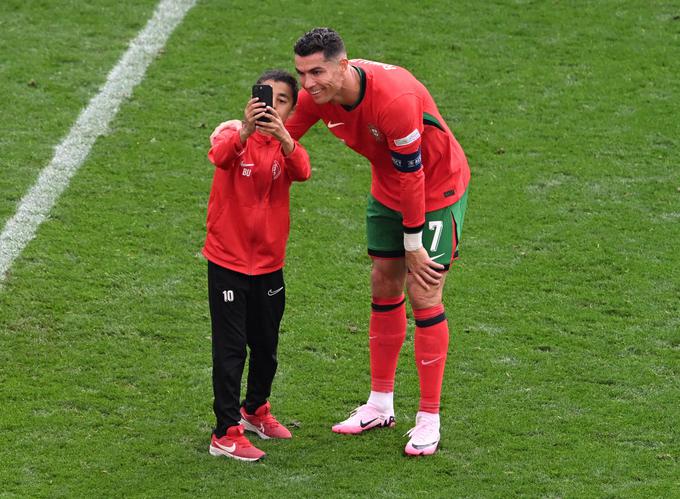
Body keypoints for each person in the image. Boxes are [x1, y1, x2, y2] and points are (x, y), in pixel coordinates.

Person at [286, 28, 470, 456]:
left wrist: (413, 241)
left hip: (436, 190)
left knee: (423, 289)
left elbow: (414, 174)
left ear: (344, 65)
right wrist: (240, 135)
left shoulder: (395, 100)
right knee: (383, 283)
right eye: (301, 74)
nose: (309, 85)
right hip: (389, 189)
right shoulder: (317, 97)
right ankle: (380, 404)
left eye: (317, 72)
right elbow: (284, 137)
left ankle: (429, 419)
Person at [203, 69, 311, 462]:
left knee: (266, 346)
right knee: (231, 350)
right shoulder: (231, 132)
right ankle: (225, 432)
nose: (273, 105)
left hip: (268, 264)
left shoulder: (287, 145)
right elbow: (219, 156)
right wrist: (246, 130)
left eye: (283, 100)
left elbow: (303, 171)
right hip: (228, 262)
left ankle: (255, 410)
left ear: (292, 109)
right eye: (269, 98)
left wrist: (284, 137)